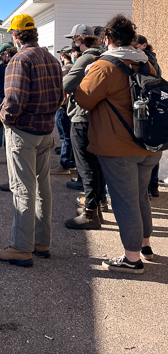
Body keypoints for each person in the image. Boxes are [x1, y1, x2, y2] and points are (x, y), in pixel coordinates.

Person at [75, 14, 161, 274]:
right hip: (148, 144)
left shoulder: (104, 66)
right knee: (139, 197)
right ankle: (145, 245)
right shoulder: (147, 64)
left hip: (118, 147)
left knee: (125, 201)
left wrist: (85, 72)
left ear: (107, 39)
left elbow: (84, 100)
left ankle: (132, 259)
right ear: (133, 40)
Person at [0, 14, 63, 267]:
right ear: (35, 33)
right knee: (43, 188)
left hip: (24, 132)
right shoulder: (52, 60)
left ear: (15, 35)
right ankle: (42, 242)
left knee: (23, 189)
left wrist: (2, 117)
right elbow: (60, 98)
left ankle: (21, 248)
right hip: (45, 131)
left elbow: (14, 102)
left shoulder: (19, 59)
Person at [61, 24, 106, 230]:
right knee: (96, 167)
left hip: (81, 117)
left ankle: (90, 215)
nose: (73, 43)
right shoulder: (103, 55)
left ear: (80, 39)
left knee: (86, 168)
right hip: (97, 118)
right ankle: (95, 209)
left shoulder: (86, 57)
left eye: (74, 39)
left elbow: (66, 85)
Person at [136, 34, 162, 197]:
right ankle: (153, 187)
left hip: (147, 105)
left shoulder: (145, 60)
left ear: (144, 45)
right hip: (153, 104)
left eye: (136, 45)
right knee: (152, 151)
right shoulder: (151, 59)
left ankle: (149, 187)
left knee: (148, 150)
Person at [52, 46, 76, 174]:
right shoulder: (75, 68)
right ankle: (71, 162)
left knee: (65, 137)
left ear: (63, 56)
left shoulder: (65, 70)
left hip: (63, 107)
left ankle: (65, 164)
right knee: (69, 136)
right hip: (71, 106)